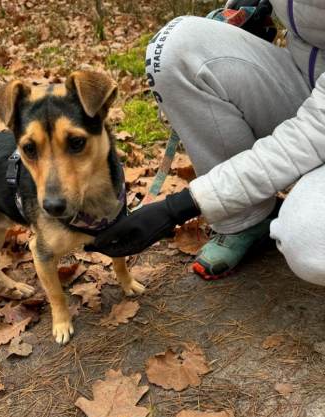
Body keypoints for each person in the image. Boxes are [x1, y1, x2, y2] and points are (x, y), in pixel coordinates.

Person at [88, 0, 325, 285]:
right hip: (306, 77)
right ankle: (244, 221)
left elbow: (310, 135)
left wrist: (181, 206)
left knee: (309, 243)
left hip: (317, 124)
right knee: (176, 48)